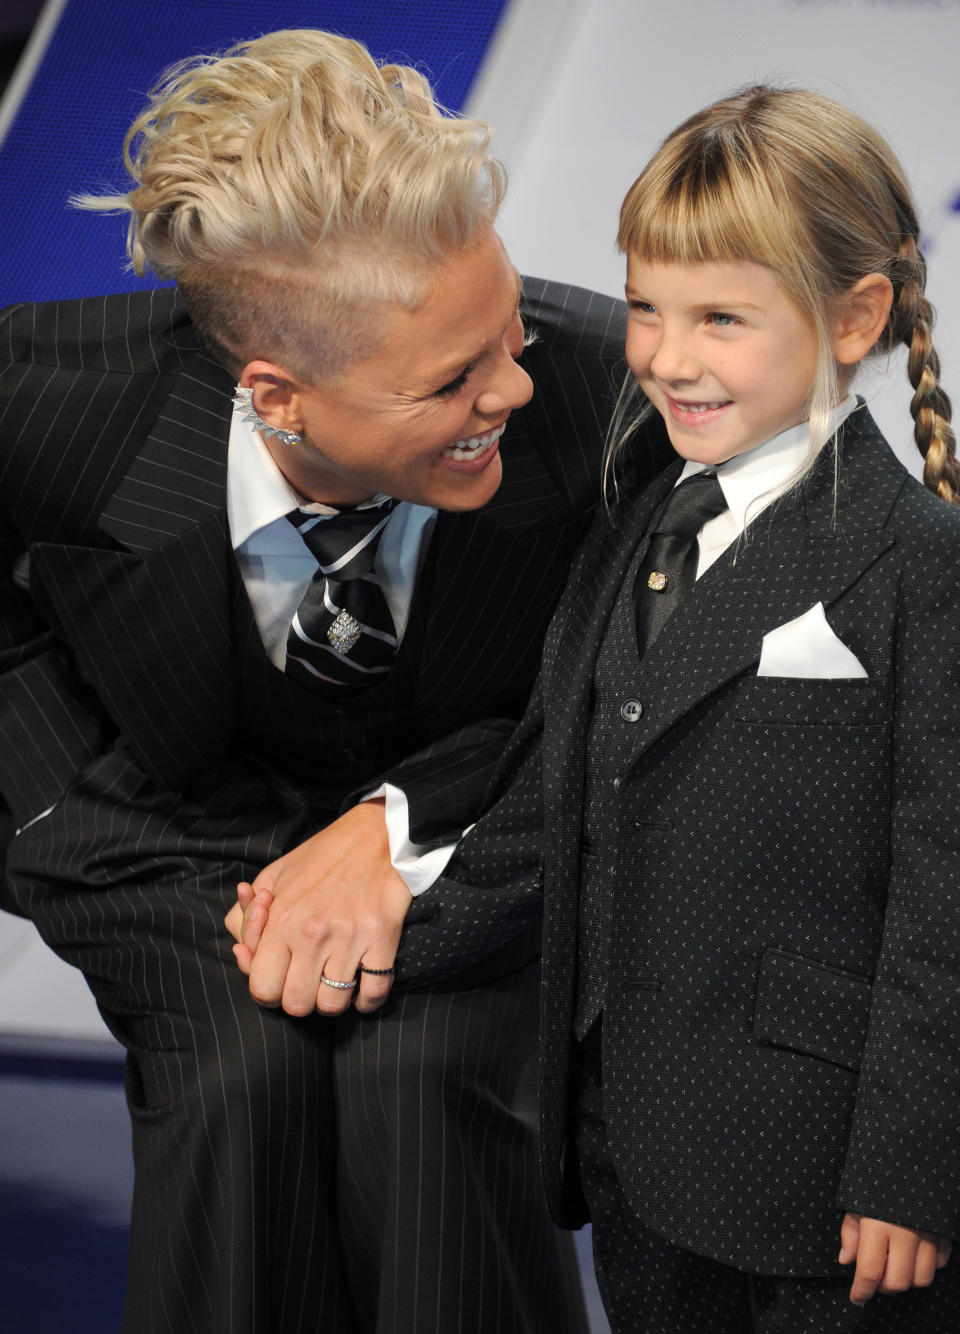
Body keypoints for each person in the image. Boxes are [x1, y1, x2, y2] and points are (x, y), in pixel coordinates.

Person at [0, 29, 669, 1334]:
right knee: (231, 1080)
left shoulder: (615, 406)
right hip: (164, 834)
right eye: (454, 379)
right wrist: (81, 824)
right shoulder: (36, 398)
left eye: (512, 326)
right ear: (277, 392)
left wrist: (399, 828)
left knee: (425, 1083)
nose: (515, 383)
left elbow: (629, 685)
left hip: (482, 826)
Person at [387, 85, 960, 1332]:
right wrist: (378, 932)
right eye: (645, 305)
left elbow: (946, 903)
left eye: (720, 318)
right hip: (630, 1142)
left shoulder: (922, 563)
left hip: (826, 1187)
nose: (663, 355)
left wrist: (916, 1167)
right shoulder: (640, 519)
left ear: (856, 315)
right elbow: (559, 806)